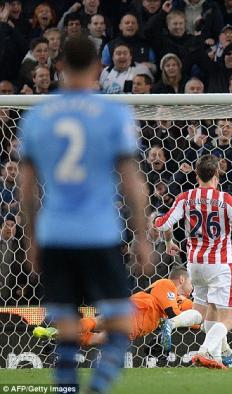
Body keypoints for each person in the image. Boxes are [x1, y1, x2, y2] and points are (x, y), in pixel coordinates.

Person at [18, 36, 152, 393]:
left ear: (59, 68)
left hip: (56, 234)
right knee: (122, 325)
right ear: (97, 68)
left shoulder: (37, 117)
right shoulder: (112, 114)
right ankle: (96, 389)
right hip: (99, 234)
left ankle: (68, 391)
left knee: (66, 330)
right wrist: (142, 238)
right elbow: (133, 184)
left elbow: (26, 189)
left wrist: (31, 239)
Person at [33, 267, 232, 366]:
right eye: (191, 283)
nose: (193, 289)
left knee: (96, 336)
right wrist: (176, 322)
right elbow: (172, 313)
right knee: (98, 324)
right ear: (181, 279)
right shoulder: (165, 284)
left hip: (137, 326)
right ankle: (60, 331)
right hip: (136, 311)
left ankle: (61, 334)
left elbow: (207, 317)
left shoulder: (184, 301)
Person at [153, 154, 232, 370]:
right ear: (217, 174)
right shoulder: (225, 199)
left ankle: (176, 325)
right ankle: (204, 351)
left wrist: (168, 238)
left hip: (195, 263)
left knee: (202, 310)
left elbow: (162, 224)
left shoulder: (185, 197)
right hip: (219, 264)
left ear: (196, 174)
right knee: (228, 319)